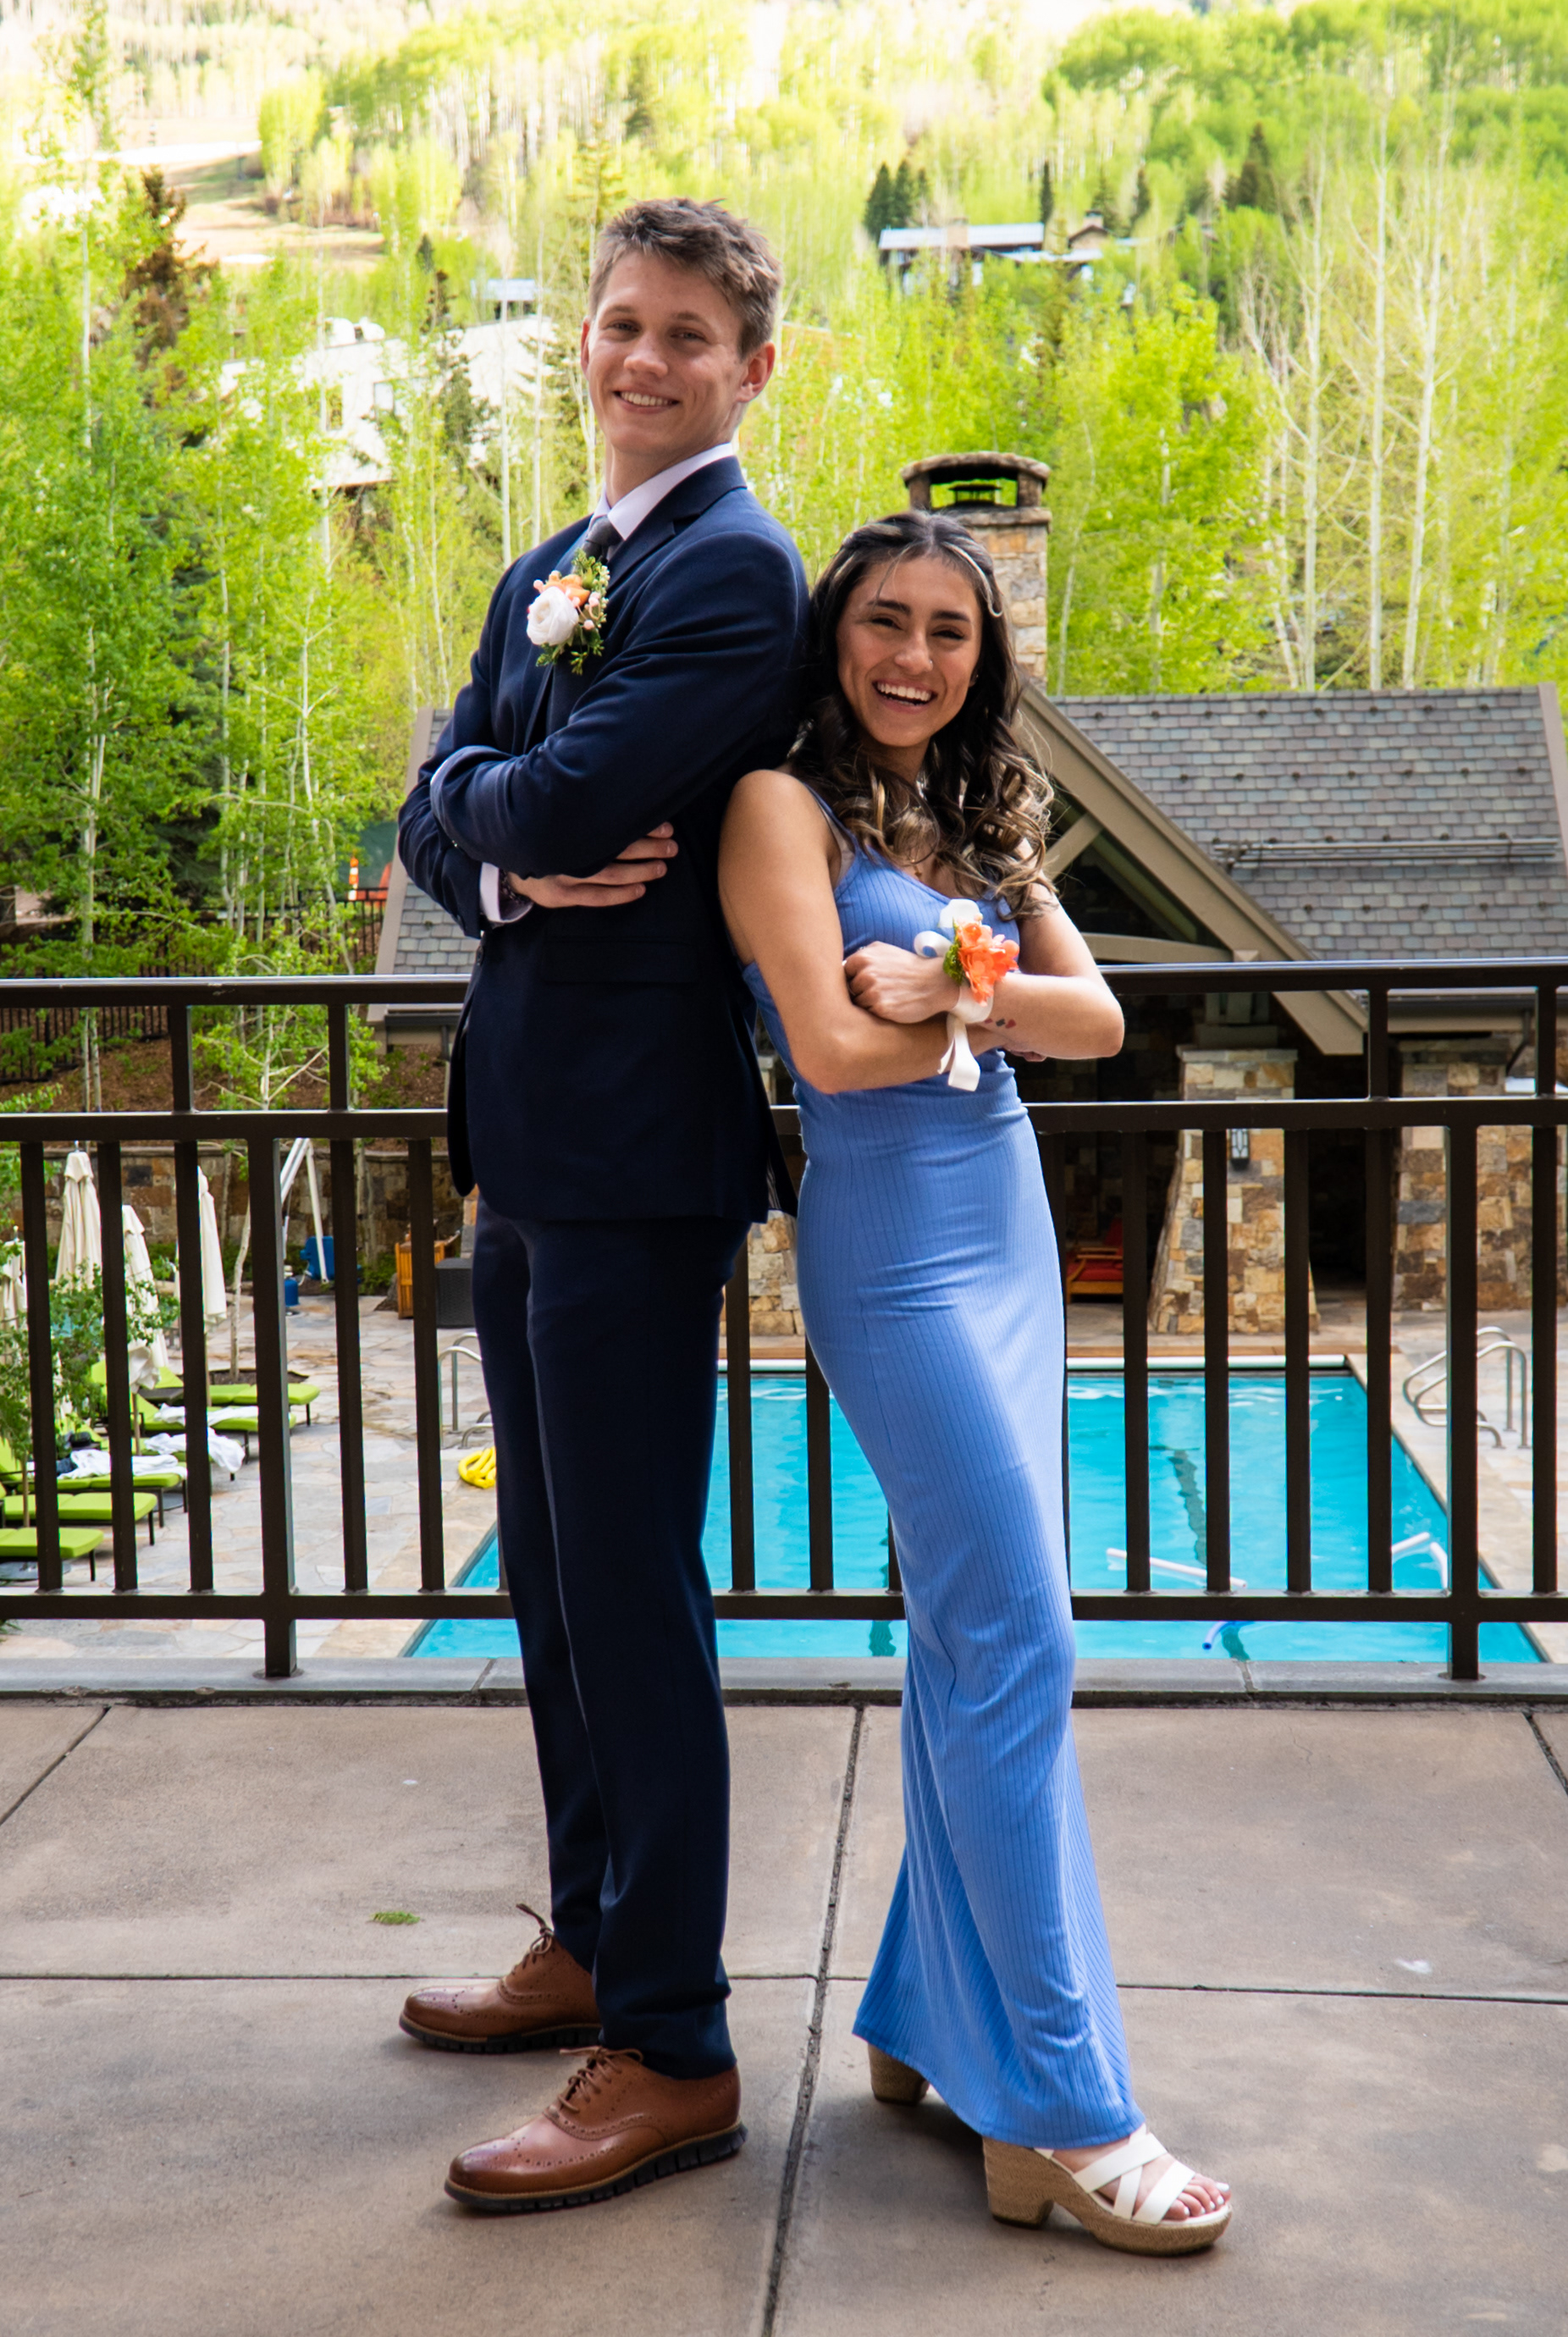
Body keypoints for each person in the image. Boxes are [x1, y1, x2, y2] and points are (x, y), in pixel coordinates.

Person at [717, 509, 1233, 2256]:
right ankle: (1062, 2107)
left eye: (950, 629)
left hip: (1007, 1236)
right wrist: (974, 1000)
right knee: (1020, 1633)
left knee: (970, 1634)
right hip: (893, 1258)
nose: (915, 657)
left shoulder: (979, 815)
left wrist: (944, 977)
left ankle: (923, 2017)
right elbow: (828, 1047)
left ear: (979, 658)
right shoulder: (777, 807)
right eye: (886, 620)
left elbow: (1100, 1023)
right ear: (835, 634)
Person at [396, 198, 808, 2214]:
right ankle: (586, 1935)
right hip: (528, 1144)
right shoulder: (549, 570)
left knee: (632, 1594)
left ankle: (673, 2045)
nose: (642, 359)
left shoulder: (734, 572)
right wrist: (494, 838)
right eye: (619, 323)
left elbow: (543, 793)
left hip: (638, 1159)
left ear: (750, 370)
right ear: (583, 339)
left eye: (685, 335)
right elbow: (438, 809)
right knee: (550, 1582)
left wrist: (499, 810)